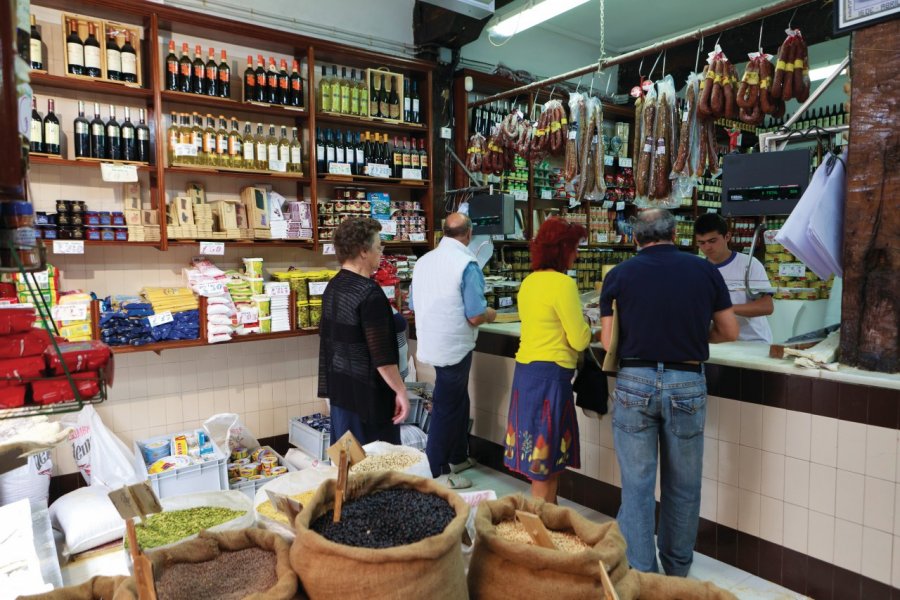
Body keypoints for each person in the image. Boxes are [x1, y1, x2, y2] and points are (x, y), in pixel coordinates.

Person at [600, 209, 738, 576]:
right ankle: (677, 571)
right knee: (684, 486)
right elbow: (729, 330)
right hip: (687, 381)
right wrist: (693, 335)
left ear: (634, 237)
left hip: (634, 382)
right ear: (676, 234)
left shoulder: (618, 275)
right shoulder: (704, 270)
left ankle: (642, 574)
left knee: (637, 485)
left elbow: (607, 340)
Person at [503, 218, 592, 504]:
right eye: (575, 247)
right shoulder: (562, 284)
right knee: (545, 456)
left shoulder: (529, 282)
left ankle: (547, 521)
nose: (577, 254)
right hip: (552, 375)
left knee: (539, 457)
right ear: (562, 249)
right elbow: (579, 340)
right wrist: (590, 326)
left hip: (526, 372)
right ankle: (538, 532)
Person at [410, 212, 496, 489]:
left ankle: (458, 455)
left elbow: (413, 302)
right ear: (469, 234)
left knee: (457, 398)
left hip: (431, 342)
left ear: (443, 232)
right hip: (455, 345)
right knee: (447, 404)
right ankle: (437, 470)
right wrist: (491, 314)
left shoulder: (423, 261)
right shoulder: (467, 264)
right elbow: (475, 315)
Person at [318, 218, 409, 445]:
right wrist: (401, 391)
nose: (381, 252)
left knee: (349, 464)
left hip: (342, 393)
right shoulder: (369, 294)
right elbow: (383, 358)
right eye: (378, 247)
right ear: (363, 251)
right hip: (370, 398)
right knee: (377, 469)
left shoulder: (334, 286)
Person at [693, 213, 774, 343]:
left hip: (753, 342)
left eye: (712, 241)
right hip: (717, 343)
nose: (707, 247)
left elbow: (766, 307)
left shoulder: (749, 264)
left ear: (727, 236)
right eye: (701, 243)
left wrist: (724, 308)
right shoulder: (697, 269)